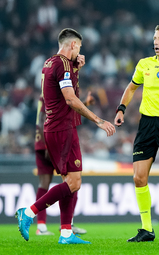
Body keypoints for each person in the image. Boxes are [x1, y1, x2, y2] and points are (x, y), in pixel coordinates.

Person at [15, 28, 116, 244]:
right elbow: (70, 99)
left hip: (55, 127)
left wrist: (76, 69)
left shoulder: (50, 62)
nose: (79, 51)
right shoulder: (63, 64)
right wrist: (98, 120)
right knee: (74, 182)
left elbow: (64, 93)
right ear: (73, 45)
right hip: (62, 129)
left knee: (69, 181)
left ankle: (66, 233)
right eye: (79, 46)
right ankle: (29, 213)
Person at [114, 25, 159, 243]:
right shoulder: (144, 64)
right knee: (138, 177)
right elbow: (131, 87)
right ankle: (147, 229)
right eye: (155, 38)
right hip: (146, 125)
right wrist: (121, 109)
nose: (156, 42)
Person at [34, 92, 94, 236]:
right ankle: (67, 225)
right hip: (52, 141)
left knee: (46, 183)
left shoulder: (47, 95)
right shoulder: (52, 95)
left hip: (41, 142)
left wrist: (84, 103)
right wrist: (47, 144)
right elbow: (45, 117)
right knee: (72, 182)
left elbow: (65, 111)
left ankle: (42, 226)